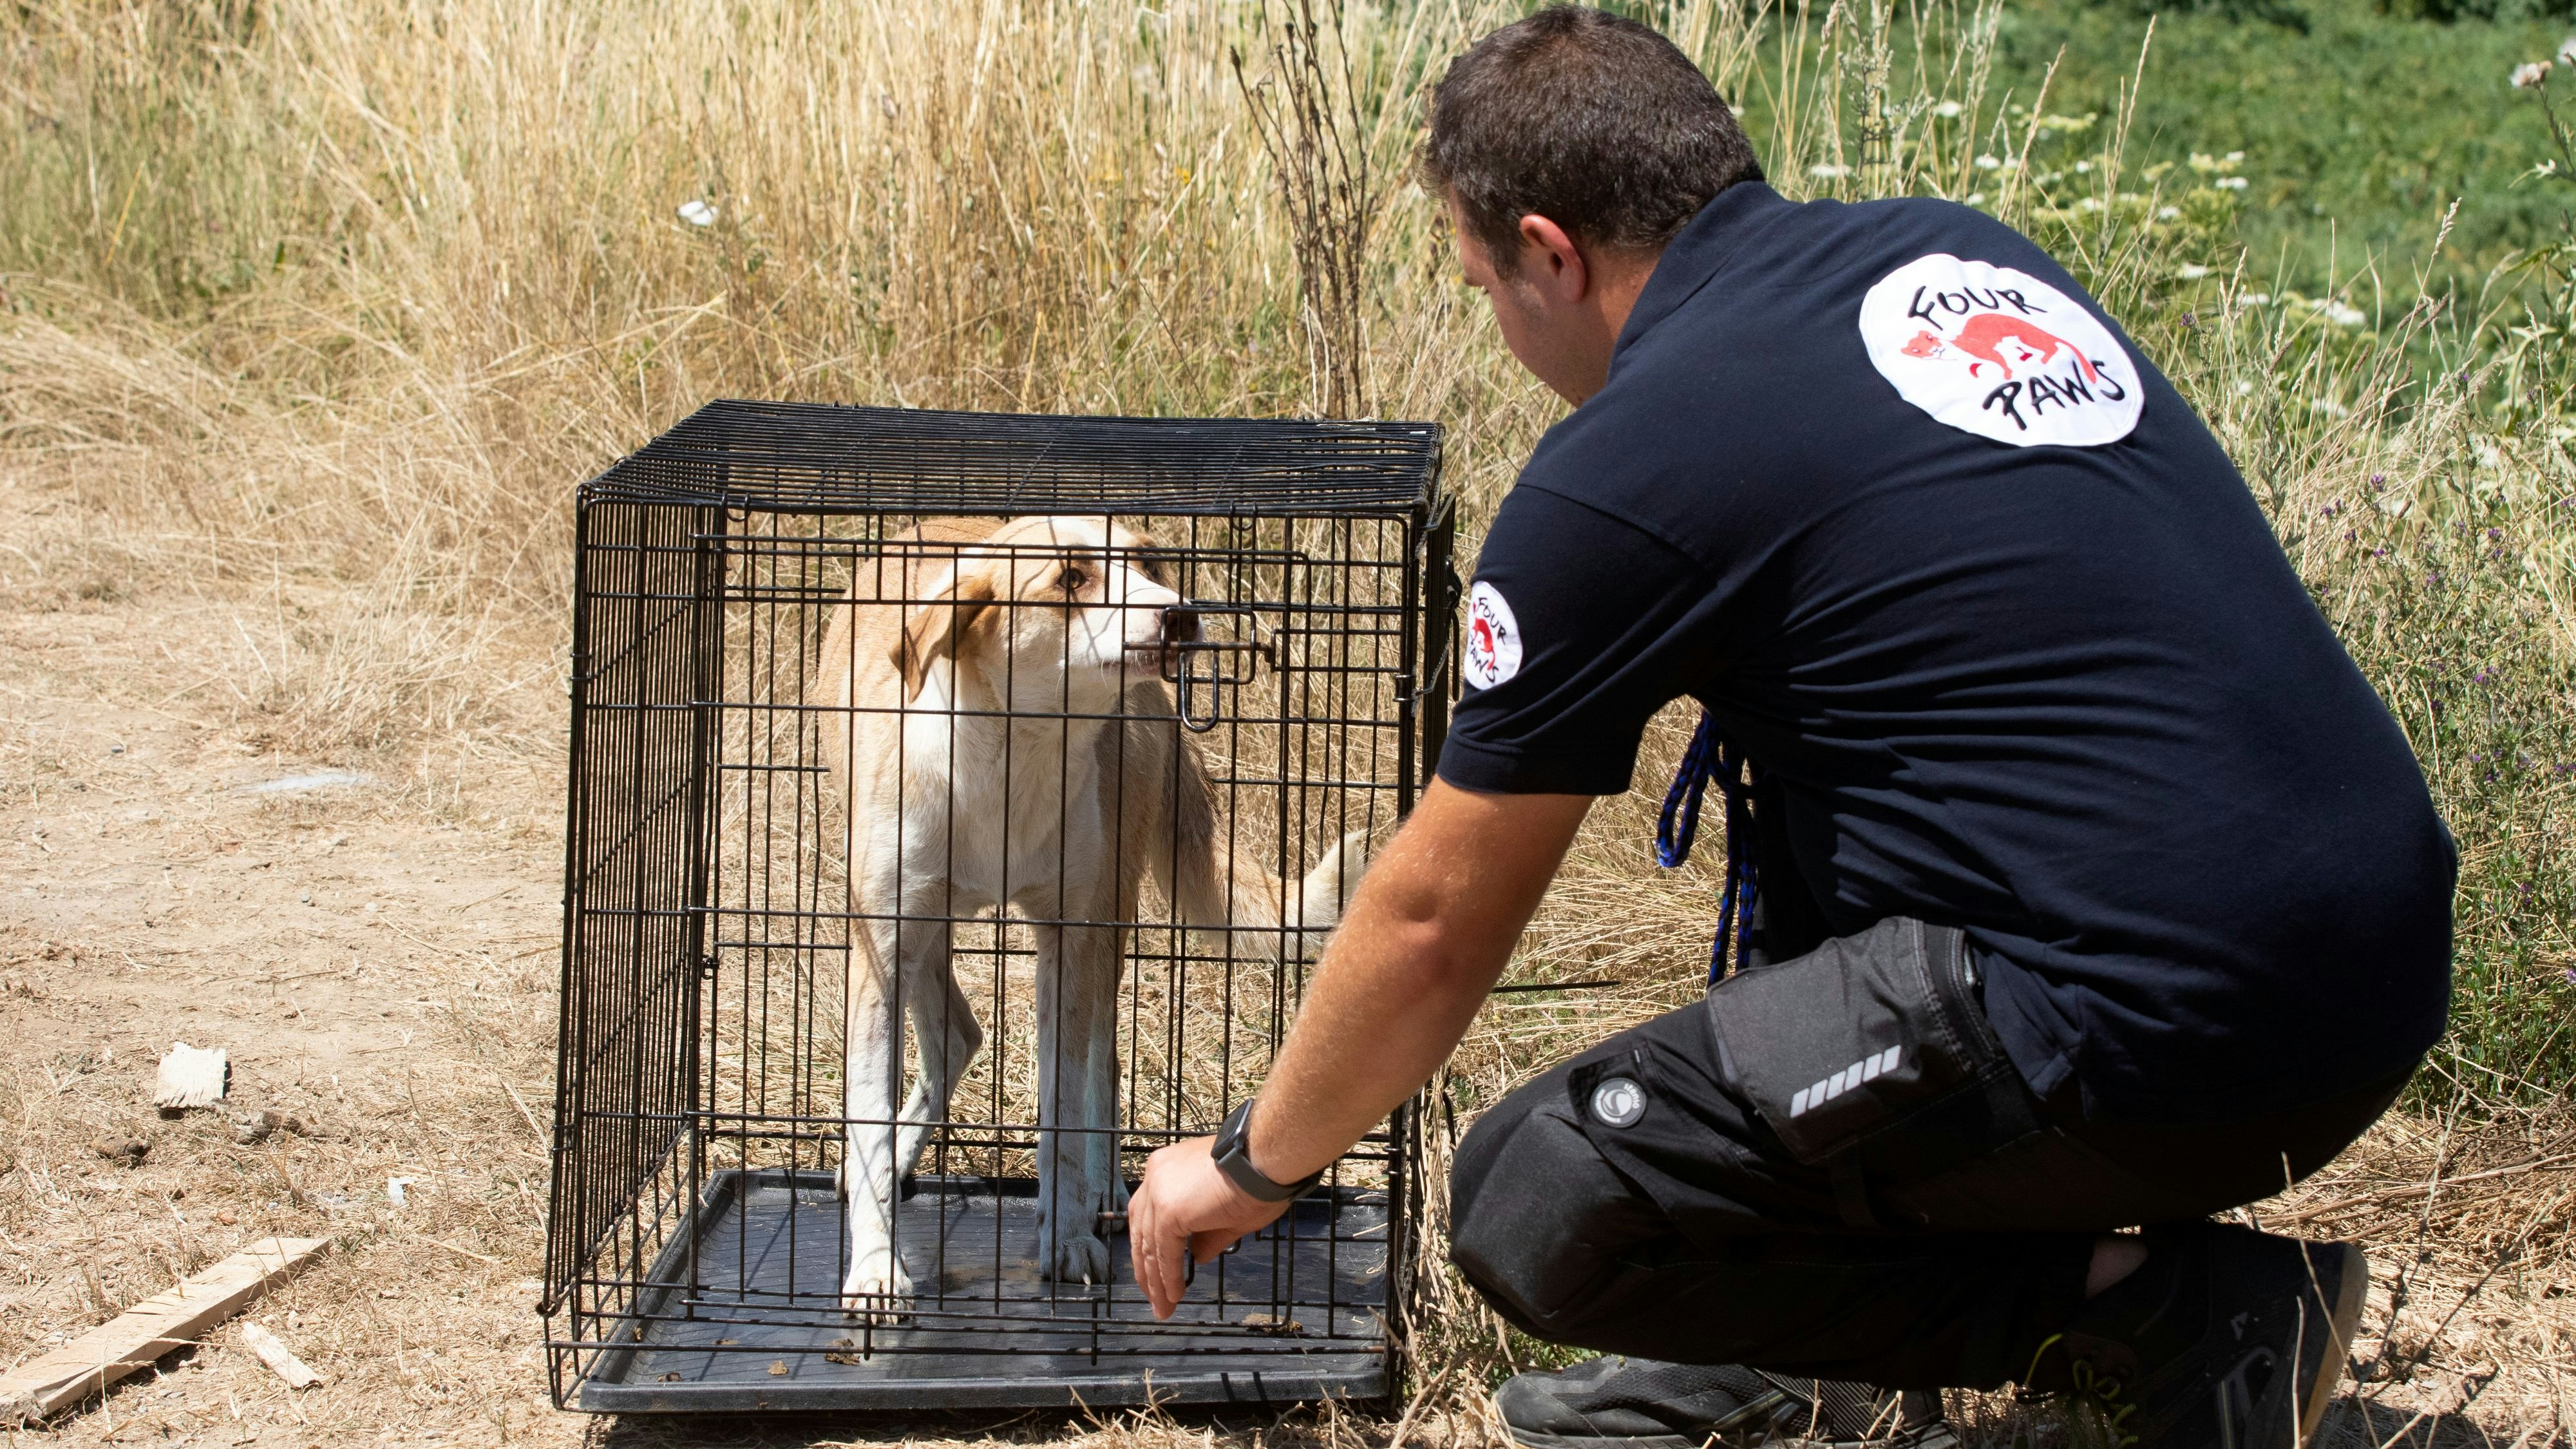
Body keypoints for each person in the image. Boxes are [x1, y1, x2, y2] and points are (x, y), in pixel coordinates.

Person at [1123, 10, 2456, 1449]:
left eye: (1483, 285)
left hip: (2159, 1034)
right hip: (2375, 973)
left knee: (1536, 1193)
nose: (1498, 327)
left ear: (1549, 253)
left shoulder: (1628, 465)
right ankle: (1774, 1355)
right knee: (1818, 840)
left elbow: (1435, 923)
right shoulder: (1951, 258)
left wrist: (1251, 1166)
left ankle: (2167, 1312)